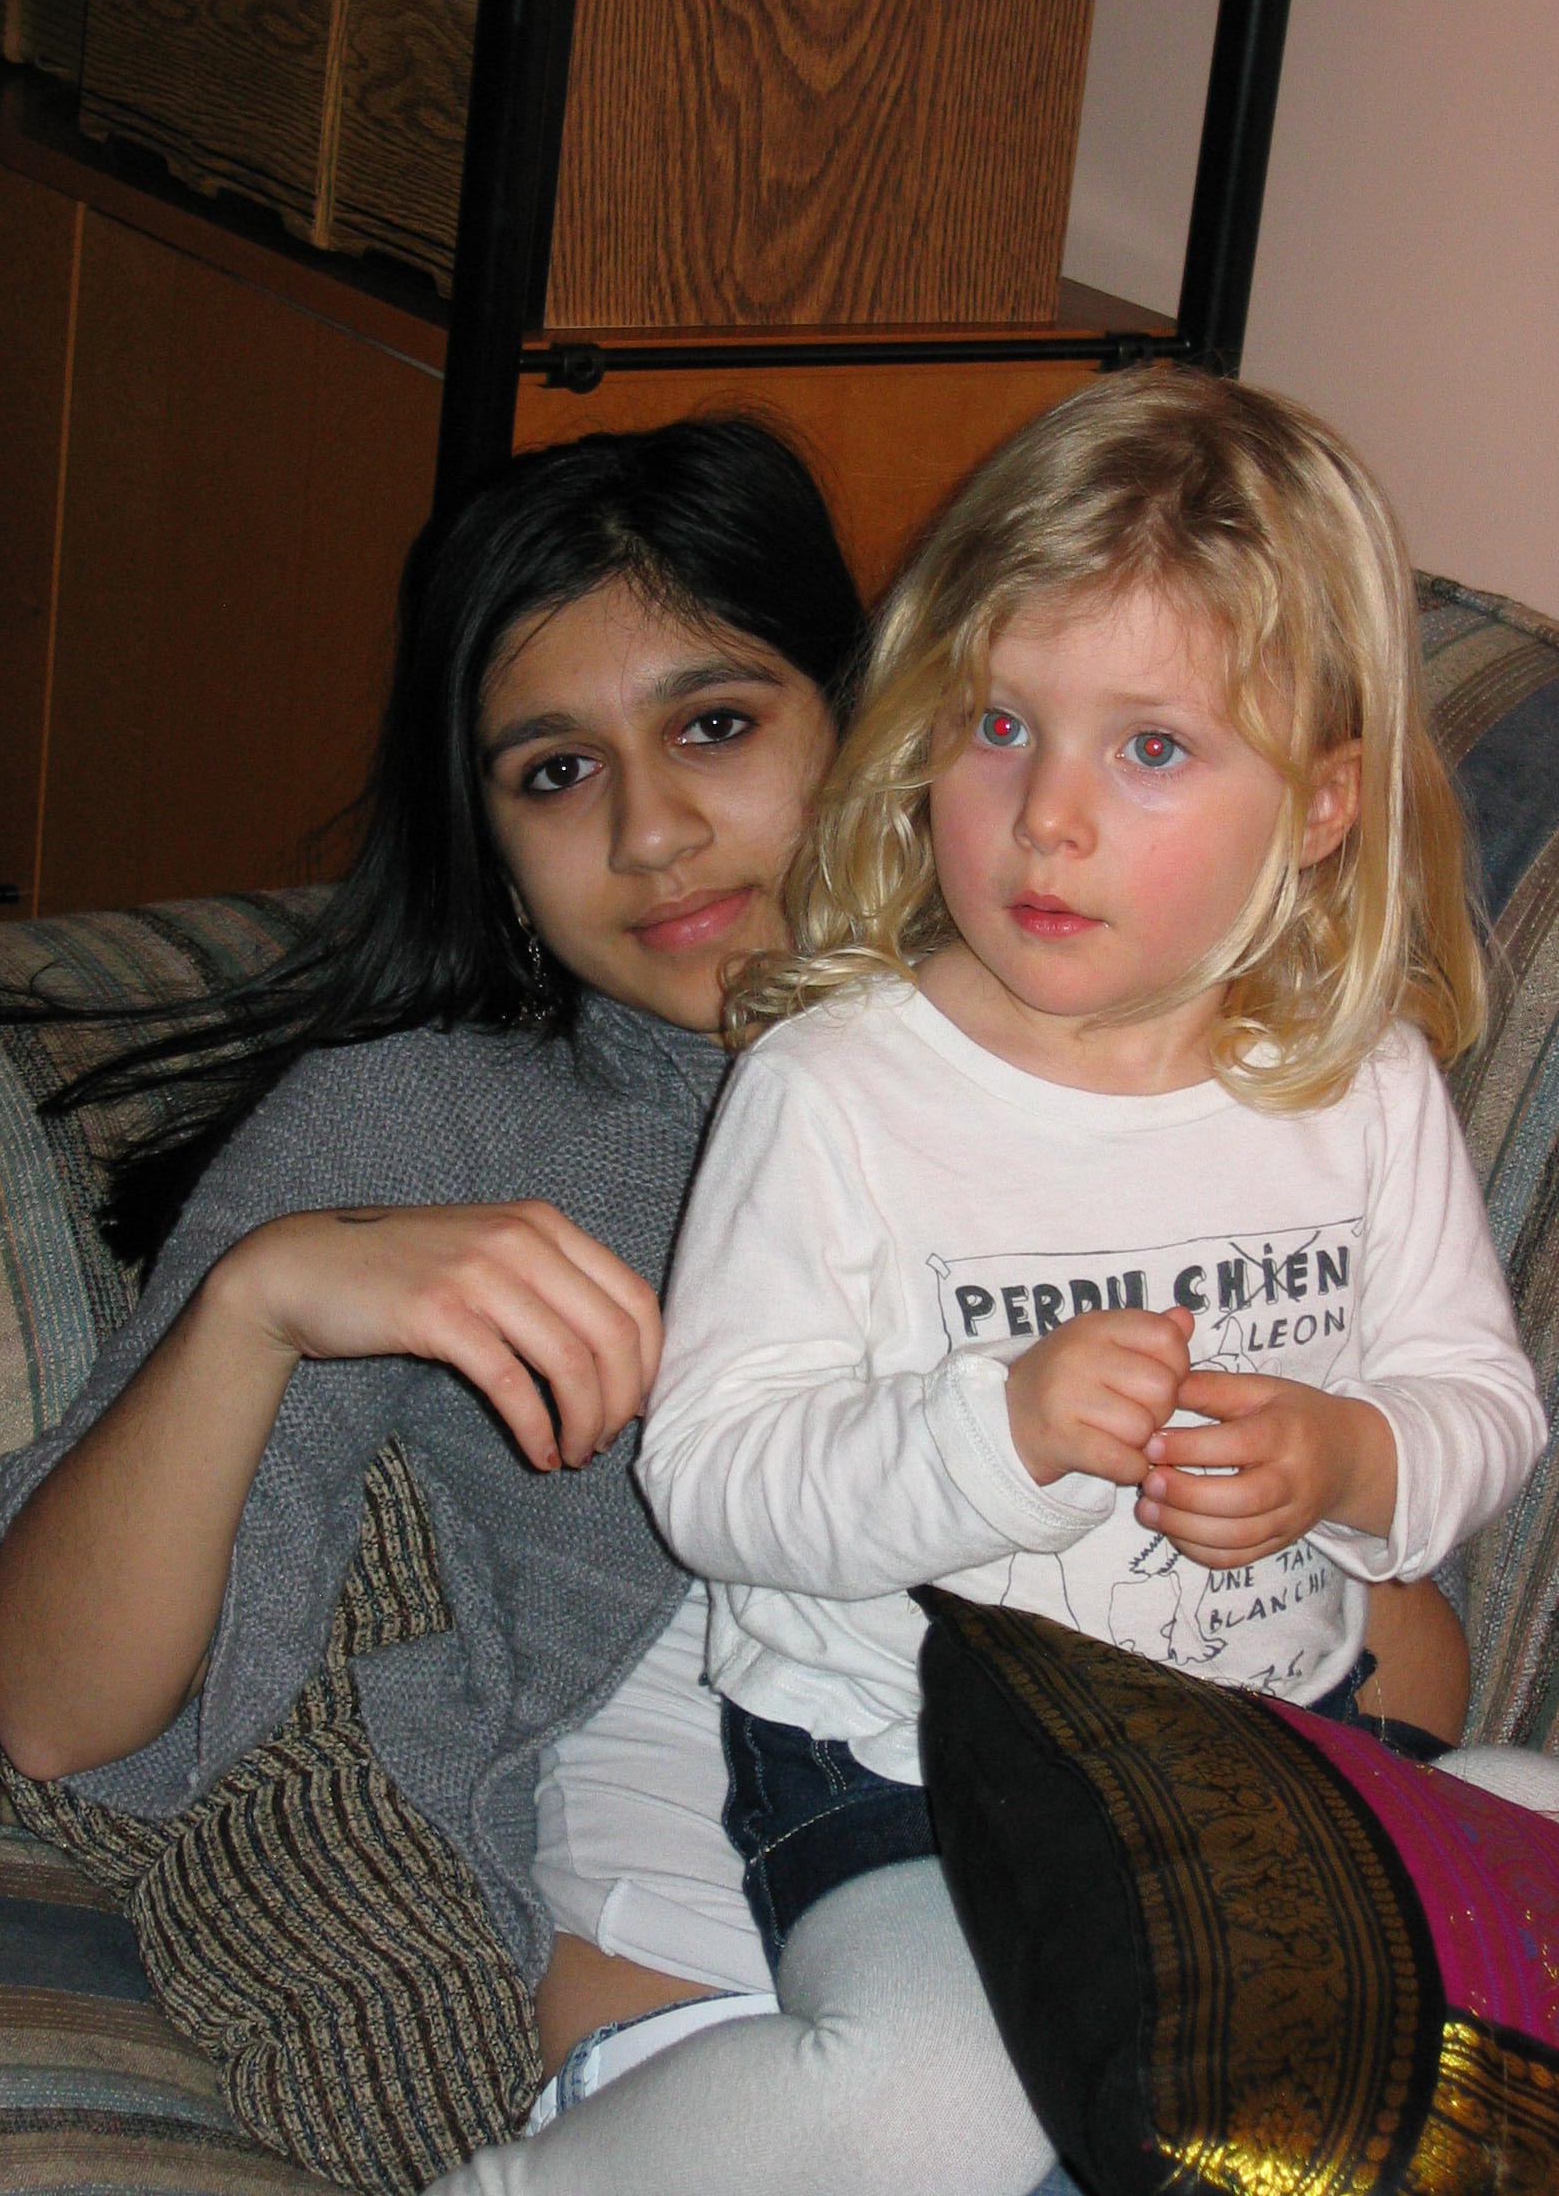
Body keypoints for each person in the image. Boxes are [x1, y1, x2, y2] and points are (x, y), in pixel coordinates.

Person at [435, 370, 1550, 2196]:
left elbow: (1481, 1407)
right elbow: (712, 1477)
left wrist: (1355, 1460)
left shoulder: (1359, 1087)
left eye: (1152, 749)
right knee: (938, 2093)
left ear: (1322, 806)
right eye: (1001, 726)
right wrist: (995, 1432)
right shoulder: (839, 1090)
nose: (1046, 820)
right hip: (906, 1774)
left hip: (1271, 1752)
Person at [0, 416, 870, 2180]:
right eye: (556, 772)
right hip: (706, 1978)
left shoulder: (1075, 1050)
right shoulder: (429, 1123)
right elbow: (54, 1708)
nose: (655, 833)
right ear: (494, 841)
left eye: (716, 725)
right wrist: (258, 1301)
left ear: (861, 716)